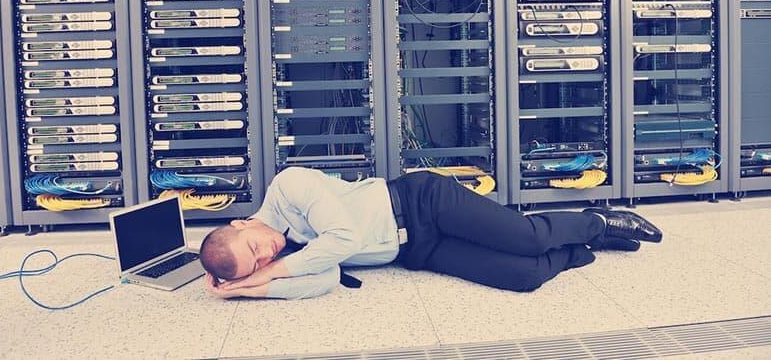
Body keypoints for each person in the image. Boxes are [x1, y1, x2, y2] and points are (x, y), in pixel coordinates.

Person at [199, 167, 662, 300]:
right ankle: (581, 247)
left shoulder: (289, 186)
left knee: (526, 238)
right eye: (259, 262)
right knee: (523, 278)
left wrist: (273, 269)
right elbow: (323, 279)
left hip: (423, 202)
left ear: (239, 223)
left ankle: (596, 220)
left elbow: (341, 241)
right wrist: (249, 290)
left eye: (256, 248)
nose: (269, 254)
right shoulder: (282, 256)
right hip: (419, 248)